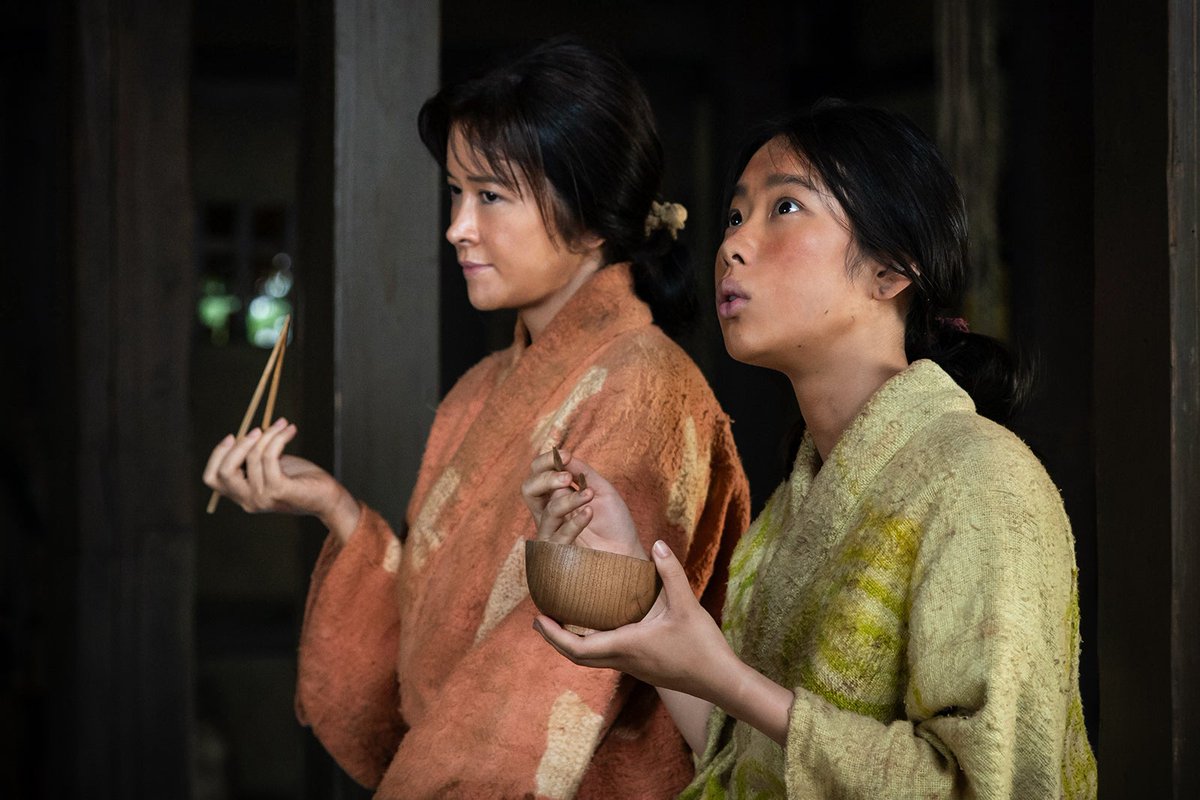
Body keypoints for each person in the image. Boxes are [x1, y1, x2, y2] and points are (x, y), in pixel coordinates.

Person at [202, 38, 749, 799]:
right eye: (456, 193)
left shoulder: (645, 390)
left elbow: (549, 678)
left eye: (490, 196)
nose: (458, 227)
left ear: (591, 219)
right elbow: (429, 630)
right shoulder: (480, 389)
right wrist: (331, 505)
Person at [525, 99, 1098, 798]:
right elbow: (745, 760)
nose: (733, 245)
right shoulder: (789, 513)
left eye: (786, 208)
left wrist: (727, 678)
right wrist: (630, 582)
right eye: (735, 216)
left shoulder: (983, 482)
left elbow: (987, 787)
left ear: (892, 269)